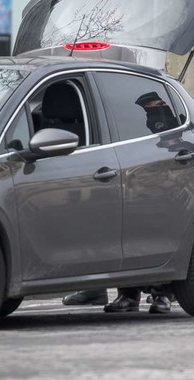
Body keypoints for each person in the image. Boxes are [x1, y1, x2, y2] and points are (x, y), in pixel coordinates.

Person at [61, 92, 179, 315]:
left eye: (155, 106)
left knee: (154, 235)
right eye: (149, 106)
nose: (151, 110)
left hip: (158, 183)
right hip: (131, 183)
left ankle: (163, 293)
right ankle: (128, 294)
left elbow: (170, 143)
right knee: (127, 236)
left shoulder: (161, 118)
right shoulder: (126, 117)